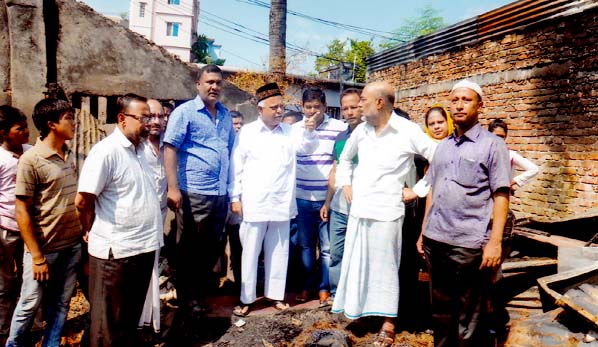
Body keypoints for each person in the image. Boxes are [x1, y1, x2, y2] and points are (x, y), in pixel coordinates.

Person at [332, 81, 437, 347]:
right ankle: (365, 313)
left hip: (388, 212)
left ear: (380, 102)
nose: (359, 105)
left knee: (386, 269)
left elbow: (438, 158)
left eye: (364, 99)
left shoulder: (406, 130)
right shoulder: (362, 131)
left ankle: (389, 323)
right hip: (360, 210)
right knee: (360, 265)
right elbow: (345, 158)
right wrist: (346, 184)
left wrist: (418, 190)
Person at [417, 80, 511, 347]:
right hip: (437, 240)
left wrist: (495, 242)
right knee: (441, 313)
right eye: (455, 99)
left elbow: (501, 195)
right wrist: (424, 232)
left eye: (466, 99)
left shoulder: (493, 145)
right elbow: (432, 191)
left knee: (469, 318)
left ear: (479, 105)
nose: (459, 105)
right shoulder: (443, 146)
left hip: (469, 243)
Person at [76, 94, 162, 347]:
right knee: (106, 329)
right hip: (116, 252)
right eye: (143, 118)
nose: (148, 123)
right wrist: (88, 228)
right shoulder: (106, 152)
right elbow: (83, 200)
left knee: (127, 322)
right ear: (122, 119)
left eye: (151, 117)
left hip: (143, 248)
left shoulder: (141, 151)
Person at [229, 83, 318, 316]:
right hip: (253, 202)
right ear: (260, 109)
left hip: (281, 202)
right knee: (249, 251)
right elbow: (236, 167)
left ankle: (275, 295)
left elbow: (308, 147)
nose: (279, 111)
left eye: (281, 106)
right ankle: (246, 298)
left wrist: (309, 130)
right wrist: (235, 197)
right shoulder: (247, 132)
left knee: (279, 251)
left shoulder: (291, 132)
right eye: (274, 107)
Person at [7, 99, 82, 347]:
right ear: (51, 124)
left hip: (71, 245)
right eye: (68, 117)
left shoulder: (68, 154)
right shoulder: (31, 160)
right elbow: (22, 210)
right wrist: (37, 256)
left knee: (62, 302)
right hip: (44, 250)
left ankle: (52, 344)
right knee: (29, 303)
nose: (74, 122)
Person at [163, 64, 235, 317]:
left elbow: (229, 150)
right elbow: (170, 148)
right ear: (198, 85)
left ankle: (202, 294)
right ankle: (187, 299)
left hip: (219, 193)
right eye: (209, 82)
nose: (214, 87)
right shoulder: (185, 113)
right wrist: (172, 188)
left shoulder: (226, 115)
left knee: (211, 247)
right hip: (194, 191)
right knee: (190, 248)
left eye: (218, 82)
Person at [292, 87, 347, 305]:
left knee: (326, 247)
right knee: (305, 245)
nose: (313, 111)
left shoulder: (339, 128)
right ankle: (307, 286)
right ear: (302, 107)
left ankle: (325, 288)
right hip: (302, 196)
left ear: (325, 106)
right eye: (308, 107)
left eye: (317, 106)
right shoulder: (294, 129)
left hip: (328, 198)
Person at [319, 88, 362, 307]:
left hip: (361, 206)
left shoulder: (370, 134)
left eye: (354, 107)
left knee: (358, 256)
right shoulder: (341, 137)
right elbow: (334, 171)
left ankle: (355, 297)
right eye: (345, 108)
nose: (349, 112)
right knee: (336, 253)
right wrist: (327, 201)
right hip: (339, 207)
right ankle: (336, 295)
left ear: (362, 106)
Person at [0, 106, 31, 346]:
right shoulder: (0, 159)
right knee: (5, 283)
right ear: (3, 133)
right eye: (19, 129)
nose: (26, 132)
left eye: (26, 126)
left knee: (32, 281)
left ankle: (32, 326)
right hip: (6, 229)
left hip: (30, 229)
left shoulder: (31, 153)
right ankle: (4, 329)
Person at [137, 99, 168, 337]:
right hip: (137, 222)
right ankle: (138, 323)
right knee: (140, 273)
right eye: (151, 116)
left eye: (161, 116)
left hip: (159, 217)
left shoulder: (169, 146)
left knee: (153, 270)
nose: (156, 121)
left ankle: (151, 323)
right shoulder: (135, 148)